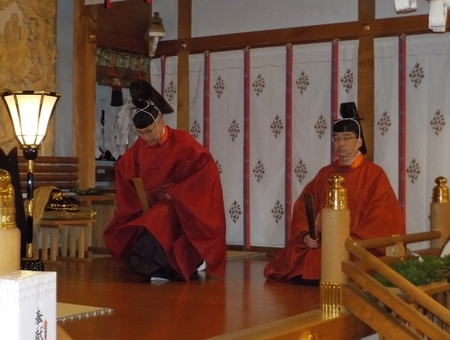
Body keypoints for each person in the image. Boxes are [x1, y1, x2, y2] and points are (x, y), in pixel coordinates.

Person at [264, 102, 406, 285]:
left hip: (355, 246)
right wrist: (307, 235)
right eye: (336, 138)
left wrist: (347, 241)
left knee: (329, 265)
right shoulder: (325, 174)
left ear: (359, 142)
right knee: (299, 265)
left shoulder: (373, 174)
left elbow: (382, 218)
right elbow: (303, 208)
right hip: (322, 244)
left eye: (347, 138)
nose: (341, 143)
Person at [104, 80, 227, 281]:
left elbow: (205, 169)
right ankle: (146, 265)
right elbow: (124, 170)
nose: (145, 137)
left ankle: (161, 268)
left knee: (158, 218)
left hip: (183, 205)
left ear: (160, 123)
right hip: (153, 203)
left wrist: (177, 193)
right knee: (143, 221)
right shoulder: (139, 148)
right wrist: (139, 193)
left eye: (149, 131)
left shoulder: (183, 142)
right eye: (140, 133)